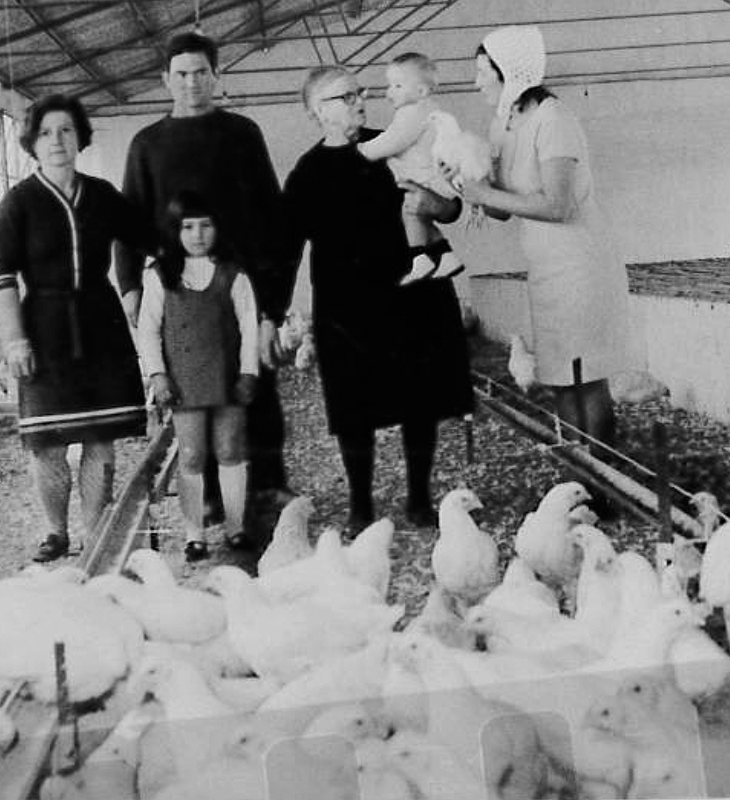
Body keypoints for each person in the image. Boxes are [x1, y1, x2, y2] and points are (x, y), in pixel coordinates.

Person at [276, 65, 474, 531]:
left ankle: (419, 498)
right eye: (344, 97)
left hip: (411, 293)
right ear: (316, 112)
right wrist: (274, 313)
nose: (359, 102)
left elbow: (450, 205)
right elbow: (287, 247)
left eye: (359, 93)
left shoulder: (394, 145)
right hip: (346, 304)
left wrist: (435, 204)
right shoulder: (307, 173)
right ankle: (361, 504)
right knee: (352, 408)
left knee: (419, 400)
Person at [115, 32, 291, 530]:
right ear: (165, 79)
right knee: (194, 390)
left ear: (216, 76)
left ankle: (267, 484)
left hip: (239, 283)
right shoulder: (147, 144)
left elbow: (271, 217)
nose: (191, 83)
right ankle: (211, 494)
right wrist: (130, 286)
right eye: (181, 74)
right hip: (180, 292)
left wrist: (272, 305)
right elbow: (129, 222)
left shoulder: (243, 134)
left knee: (254, 383)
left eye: (200, 73)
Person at [453, 25, 635, 448]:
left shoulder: (554, 119)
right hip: (545, 268)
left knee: (584, 377)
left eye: (483, 71)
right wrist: (466, 185)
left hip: (580, 265)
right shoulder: (503, 125)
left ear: (509, 72)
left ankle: (600, 470)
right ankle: (581, 469)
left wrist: (485, 193)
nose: (476, 82)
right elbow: (501, 209)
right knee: (558, 379)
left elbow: (559, 205)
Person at [0, 94, 148, 562]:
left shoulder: (102, 194)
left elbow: (146, 236)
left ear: (80, 137)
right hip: (44, 328)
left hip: (101, 323)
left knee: (100, 437)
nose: (56, 140)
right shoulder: (18, 202)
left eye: (65, 130)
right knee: (48, 443)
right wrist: (15, 339)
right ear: (31, 143)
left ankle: (96, 531)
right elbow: (3, 275)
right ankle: (55, 531)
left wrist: (140, 287)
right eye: (45, 133)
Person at [135, 192, 259, 560]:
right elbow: (148, 329)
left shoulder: (233, 274)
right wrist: (158, 374)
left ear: (218, 228)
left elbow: (249, 326)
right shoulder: (160, 275)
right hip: (184, 380)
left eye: (206, 225)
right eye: (188, 227)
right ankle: (194, 535)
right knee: (190, 455)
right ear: (175, 231)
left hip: (227, 378)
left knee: (230, 450)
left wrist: (248, 372)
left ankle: (236, 528)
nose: (198, 234)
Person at [356, 52, 465, 285]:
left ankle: (419, 257)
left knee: (411, 212)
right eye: (389, 85)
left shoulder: (412, 113)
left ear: (421, 91)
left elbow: (393, 140)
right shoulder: (427, 110)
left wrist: (365, 150)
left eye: (397, 85)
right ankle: (445, 255)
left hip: (426, 178)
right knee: (421, 218)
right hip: (433, 179)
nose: (389, 92)